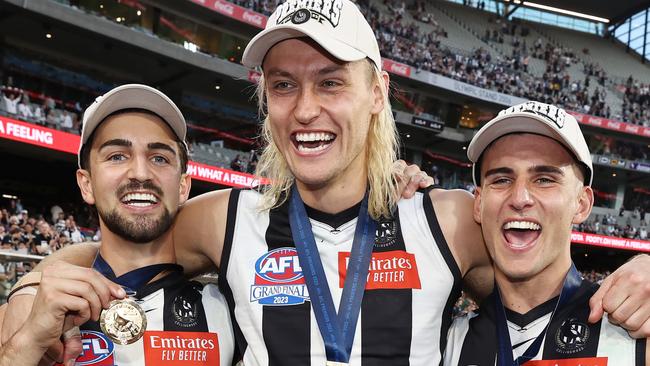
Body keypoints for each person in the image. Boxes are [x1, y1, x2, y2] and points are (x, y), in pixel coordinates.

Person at [3, 0, 650, 365]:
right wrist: (35, 282)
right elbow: (131, 234)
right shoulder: (224, 221)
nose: (305, 108)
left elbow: (543, 276)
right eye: (284, 85)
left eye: (331, 81)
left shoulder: (449, 220)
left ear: (377, 94)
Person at [0, 84, 236, 366]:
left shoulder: (229, 309)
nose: (139, 173)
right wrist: (27, 343)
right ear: (86, 184)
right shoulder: (33, 311)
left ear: (183, 186)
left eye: (159, 158)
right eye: (117, 156)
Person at [445, 101, 648, 364]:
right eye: (501, 179)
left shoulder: (635, 332)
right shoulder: (447, 342)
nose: (519, 198)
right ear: (479, 204)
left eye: (544, 179)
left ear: (582, 204)